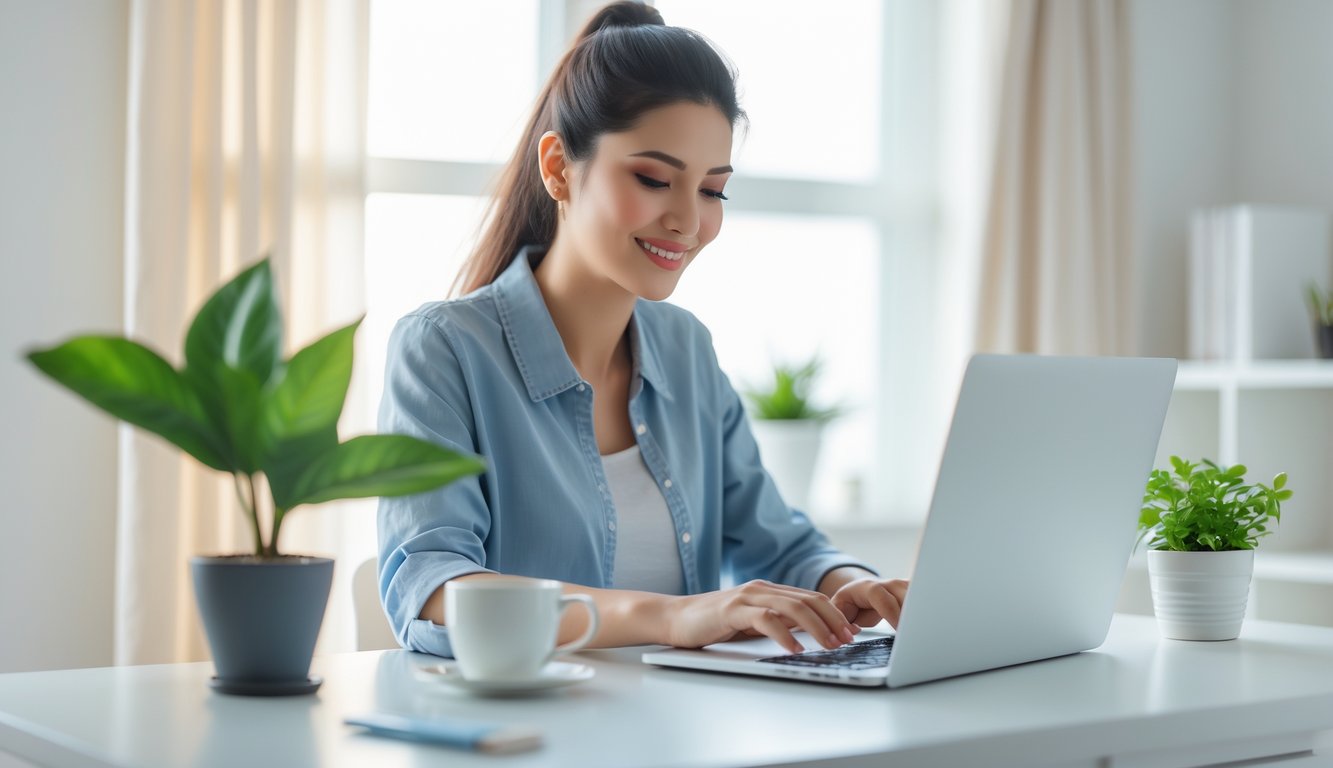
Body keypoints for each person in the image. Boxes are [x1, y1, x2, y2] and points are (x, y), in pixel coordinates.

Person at [377, 0, 909, 659]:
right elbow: (432, 586)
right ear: (557, 168)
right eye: (654, 178)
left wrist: (852, 586)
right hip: (525, 720)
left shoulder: (686, 349)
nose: (688, 221)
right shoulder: (444, 349)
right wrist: (671, 617)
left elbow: (779, 544)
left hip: (679, 715)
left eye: (712, 190)